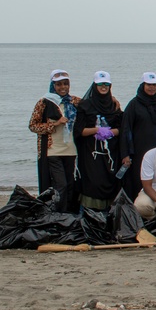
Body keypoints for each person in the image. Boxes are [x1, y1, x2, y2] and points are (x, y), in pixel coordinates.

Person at [29, 69, 81, 212]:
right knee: (61, 185)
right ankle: (58, 213)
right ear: (53, 85)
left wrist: (113, 100)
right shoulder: (44, 102)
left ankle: (69, 214)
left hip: (70, 150)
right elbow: (33, 125)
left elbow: (92, 107)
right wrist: (55, 124)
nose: (63, 87)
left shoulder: (74, 101)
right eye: (59, 85)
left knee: (70, 184)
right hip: (52, 150)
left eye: (65, 84)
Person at [73, 71, 124, 210]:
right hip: (91, 153)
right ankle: (88, 215)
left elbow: (122, 127)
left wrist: (111, 132)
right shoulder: (85, 105)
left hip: (111, 153)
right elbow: (79, 131)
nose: (104, 87)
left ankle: (109, 215)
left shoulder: (114, 106)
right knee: (93, 182)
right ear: (95, 86)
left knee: (112, 180)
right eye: (100, 84)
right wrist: (96, 130)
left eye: (107, 84)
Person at [120, 72, 156, 201]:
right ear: (143, 85)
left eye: (154, 85)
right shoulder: (133, 105)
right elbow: (126, 129)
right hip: (139, 151)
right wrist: (125, 154)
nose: (152, 88)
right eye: (149, 84)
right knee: (139, 179)